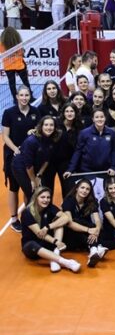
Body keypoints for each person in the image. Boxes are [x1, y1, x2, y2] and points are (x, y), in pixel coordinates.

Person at [3, 87, 40, 233]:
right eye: (22, 95)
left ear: (30, 96)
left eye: (27, 95)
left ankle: (28, 217)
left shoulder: (35, 112)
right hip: (13, 155)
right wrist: (15, 149)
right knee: (14, 187)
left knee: (28, 186)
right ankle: (14, 219)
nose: (24, 98)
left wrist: (34, 132)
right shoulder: (9, 113)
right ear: (17, 96)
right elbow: (5, 136)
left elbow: (39, 131)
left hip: (30, 155)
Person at [19, 187, 81, 273]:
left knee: (59, 223)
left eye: (48, 197)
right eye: (42, 197)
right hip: (33, 246)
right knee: (31, 244)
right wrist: (56, 241)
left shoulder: (50, 207)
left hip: (48, 243)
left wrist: (48, 227)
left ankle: (55, 254)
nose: (46, 200)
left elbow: (66, 218)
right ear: (36, 198)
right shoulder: (27, 212)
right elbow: (39, 234)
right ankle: (66, 262)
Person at [11, 116, 58, 204]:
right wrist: (33, 180)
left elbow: (47, 160)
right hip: (21, 167)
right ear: (41, 126)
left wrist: (39, 176)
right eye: (46, 125)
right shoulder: (31, 141)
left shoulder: (52, 139)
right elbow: (28, 165)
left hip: (36, 165)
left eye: (51, 125)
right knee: (33, 192)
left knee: (41, 190)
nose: (49, 127)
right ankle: (30, 212)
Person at [0, 27, 31, 100]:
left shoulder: (1, 44)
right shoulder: (17, 43)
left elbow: (2, 52)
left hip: (8, 66)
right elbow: (22, 53)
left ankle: (15, 98)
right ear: (15, 35)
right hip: (19, 65)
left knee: (12, 84)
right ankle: (30, 97)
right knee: (25, 82)